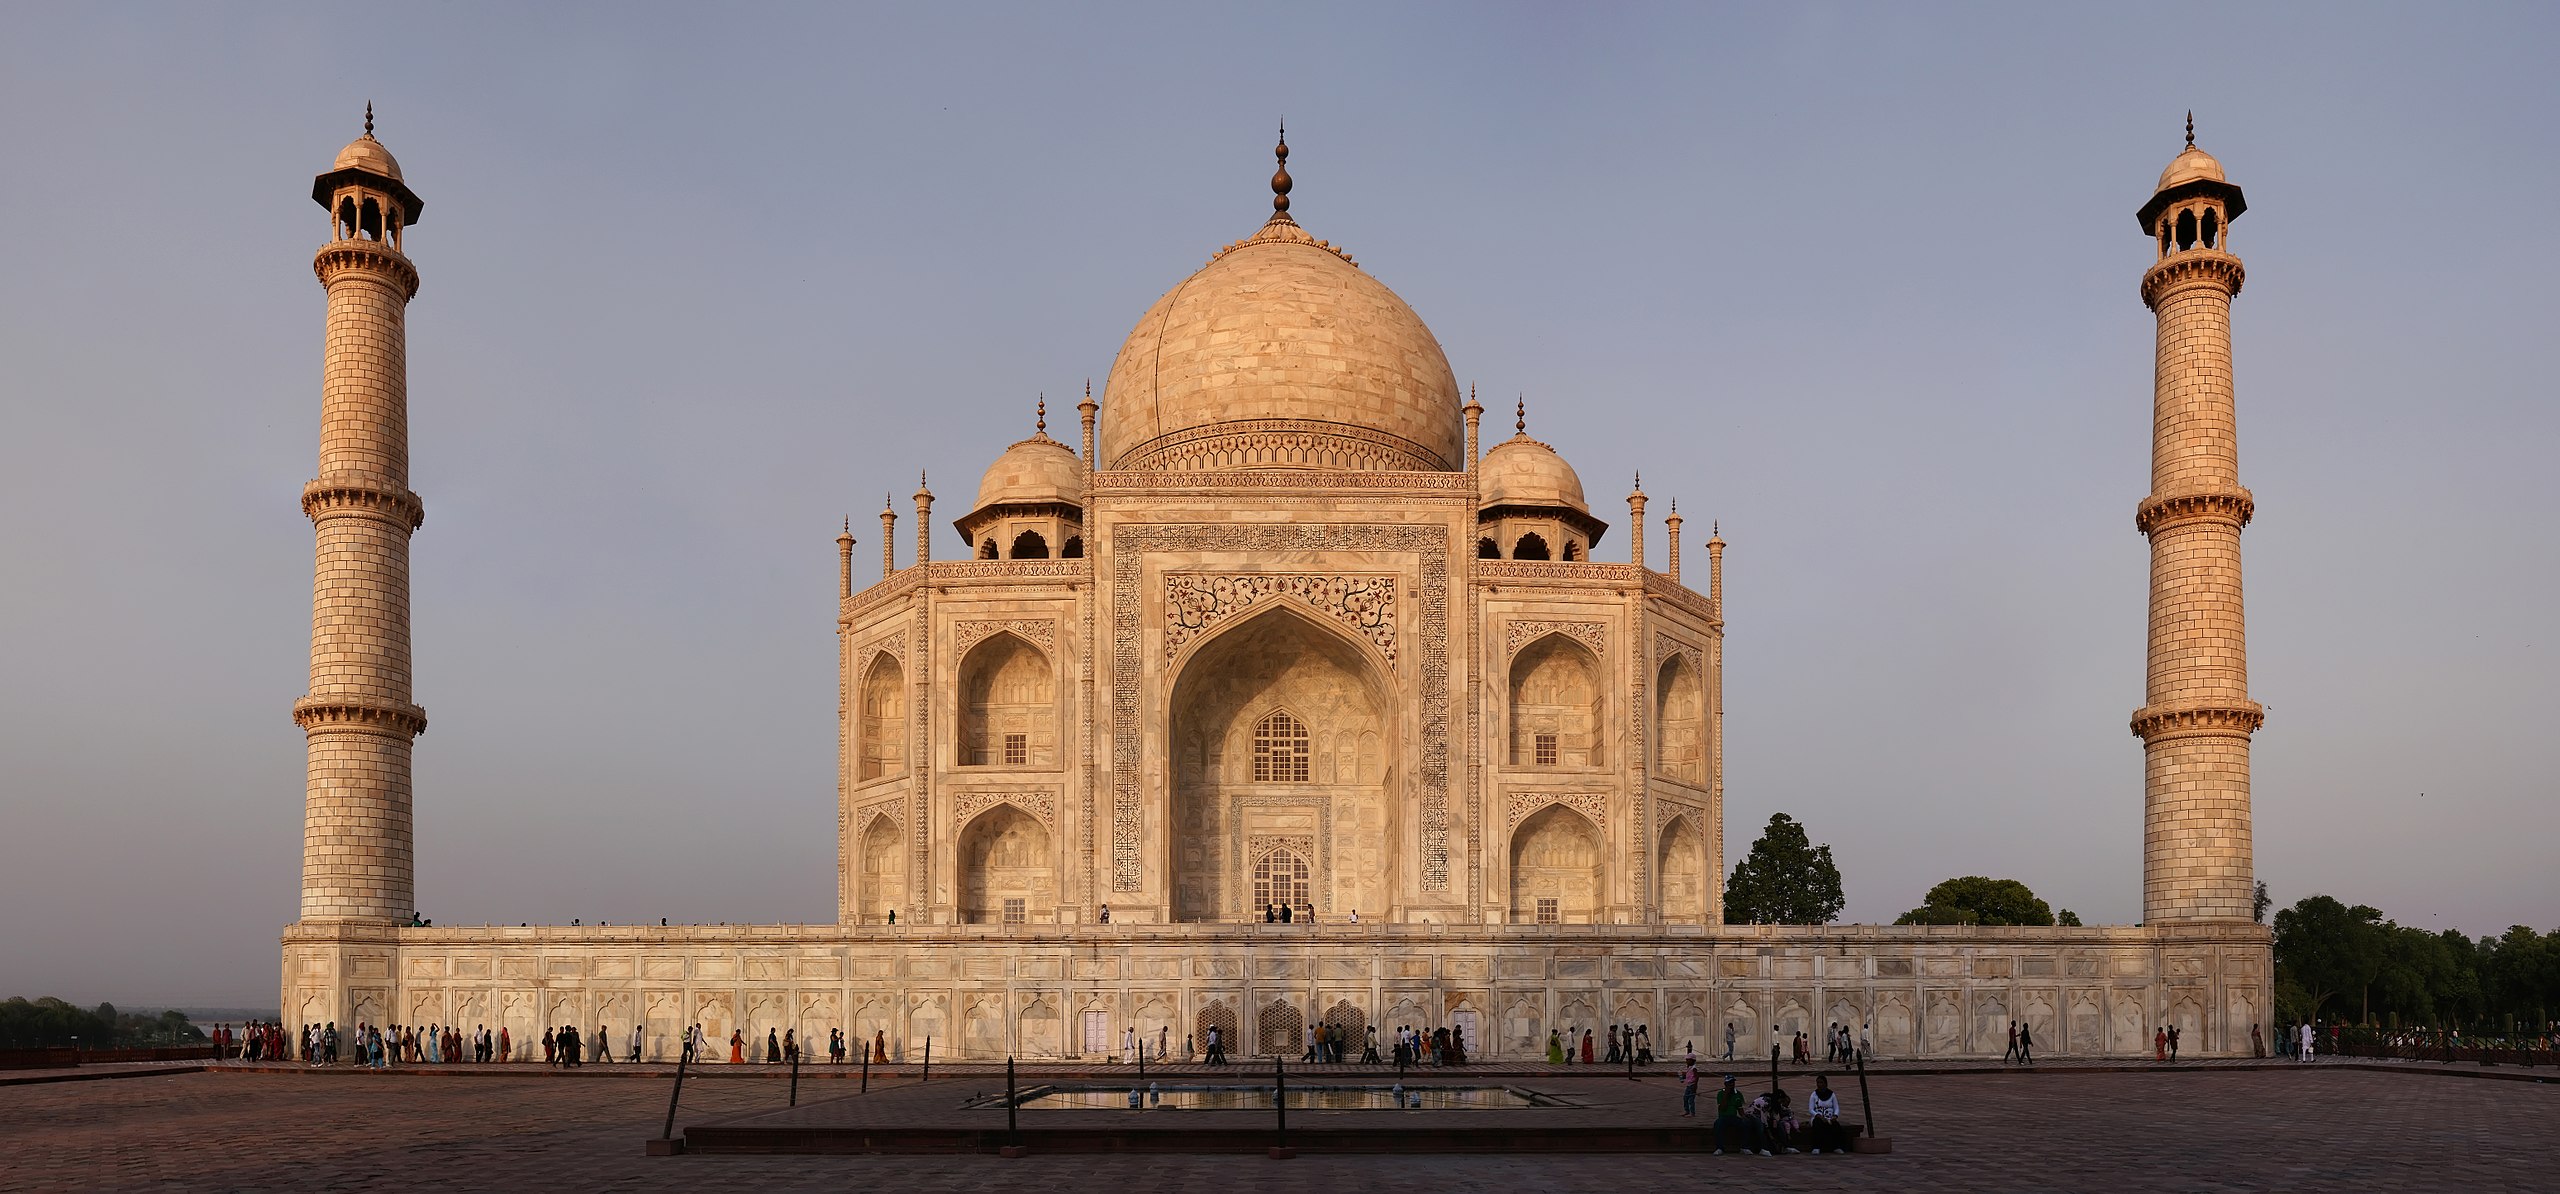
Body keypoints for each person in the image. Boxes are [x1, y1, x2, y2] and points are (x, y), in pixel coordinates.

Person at [1711, 1076, 1765, 1155]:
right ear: (1725, 1084)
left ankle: (1744, 1147)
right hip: (1723, 1117)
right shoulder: (1720, 1093)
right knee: (1718, 1124)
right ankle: (1720, 1148)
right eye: (1729, 1083)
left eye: (1733, 1082)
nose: (1732, 1084)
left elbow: (1740, 1109)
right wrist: (1726, 1095)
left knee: (1746, 1124)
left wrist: (1743, 1117)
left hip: (1733, 1117)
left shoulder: (1738, 1094)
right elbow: (1722, 1108)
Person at [1806, 1075, 1846, 1153]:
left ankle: (1837, 1147)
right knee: (1817, 1124)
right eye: (1818, 1083)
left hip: (1829, 1117)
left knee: (1836, 1126)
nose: (1819, 1085)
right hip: (1817, 1117)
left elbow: (1836, 1107)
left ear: (1825, 1084)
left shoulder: (1832, 1094)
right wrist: (1818, 1116)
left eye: (1821, 1082)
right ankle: (1816, 1147)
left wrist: (1835, 1115)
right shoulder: (1814, 1095)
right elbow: (1811, 1109)